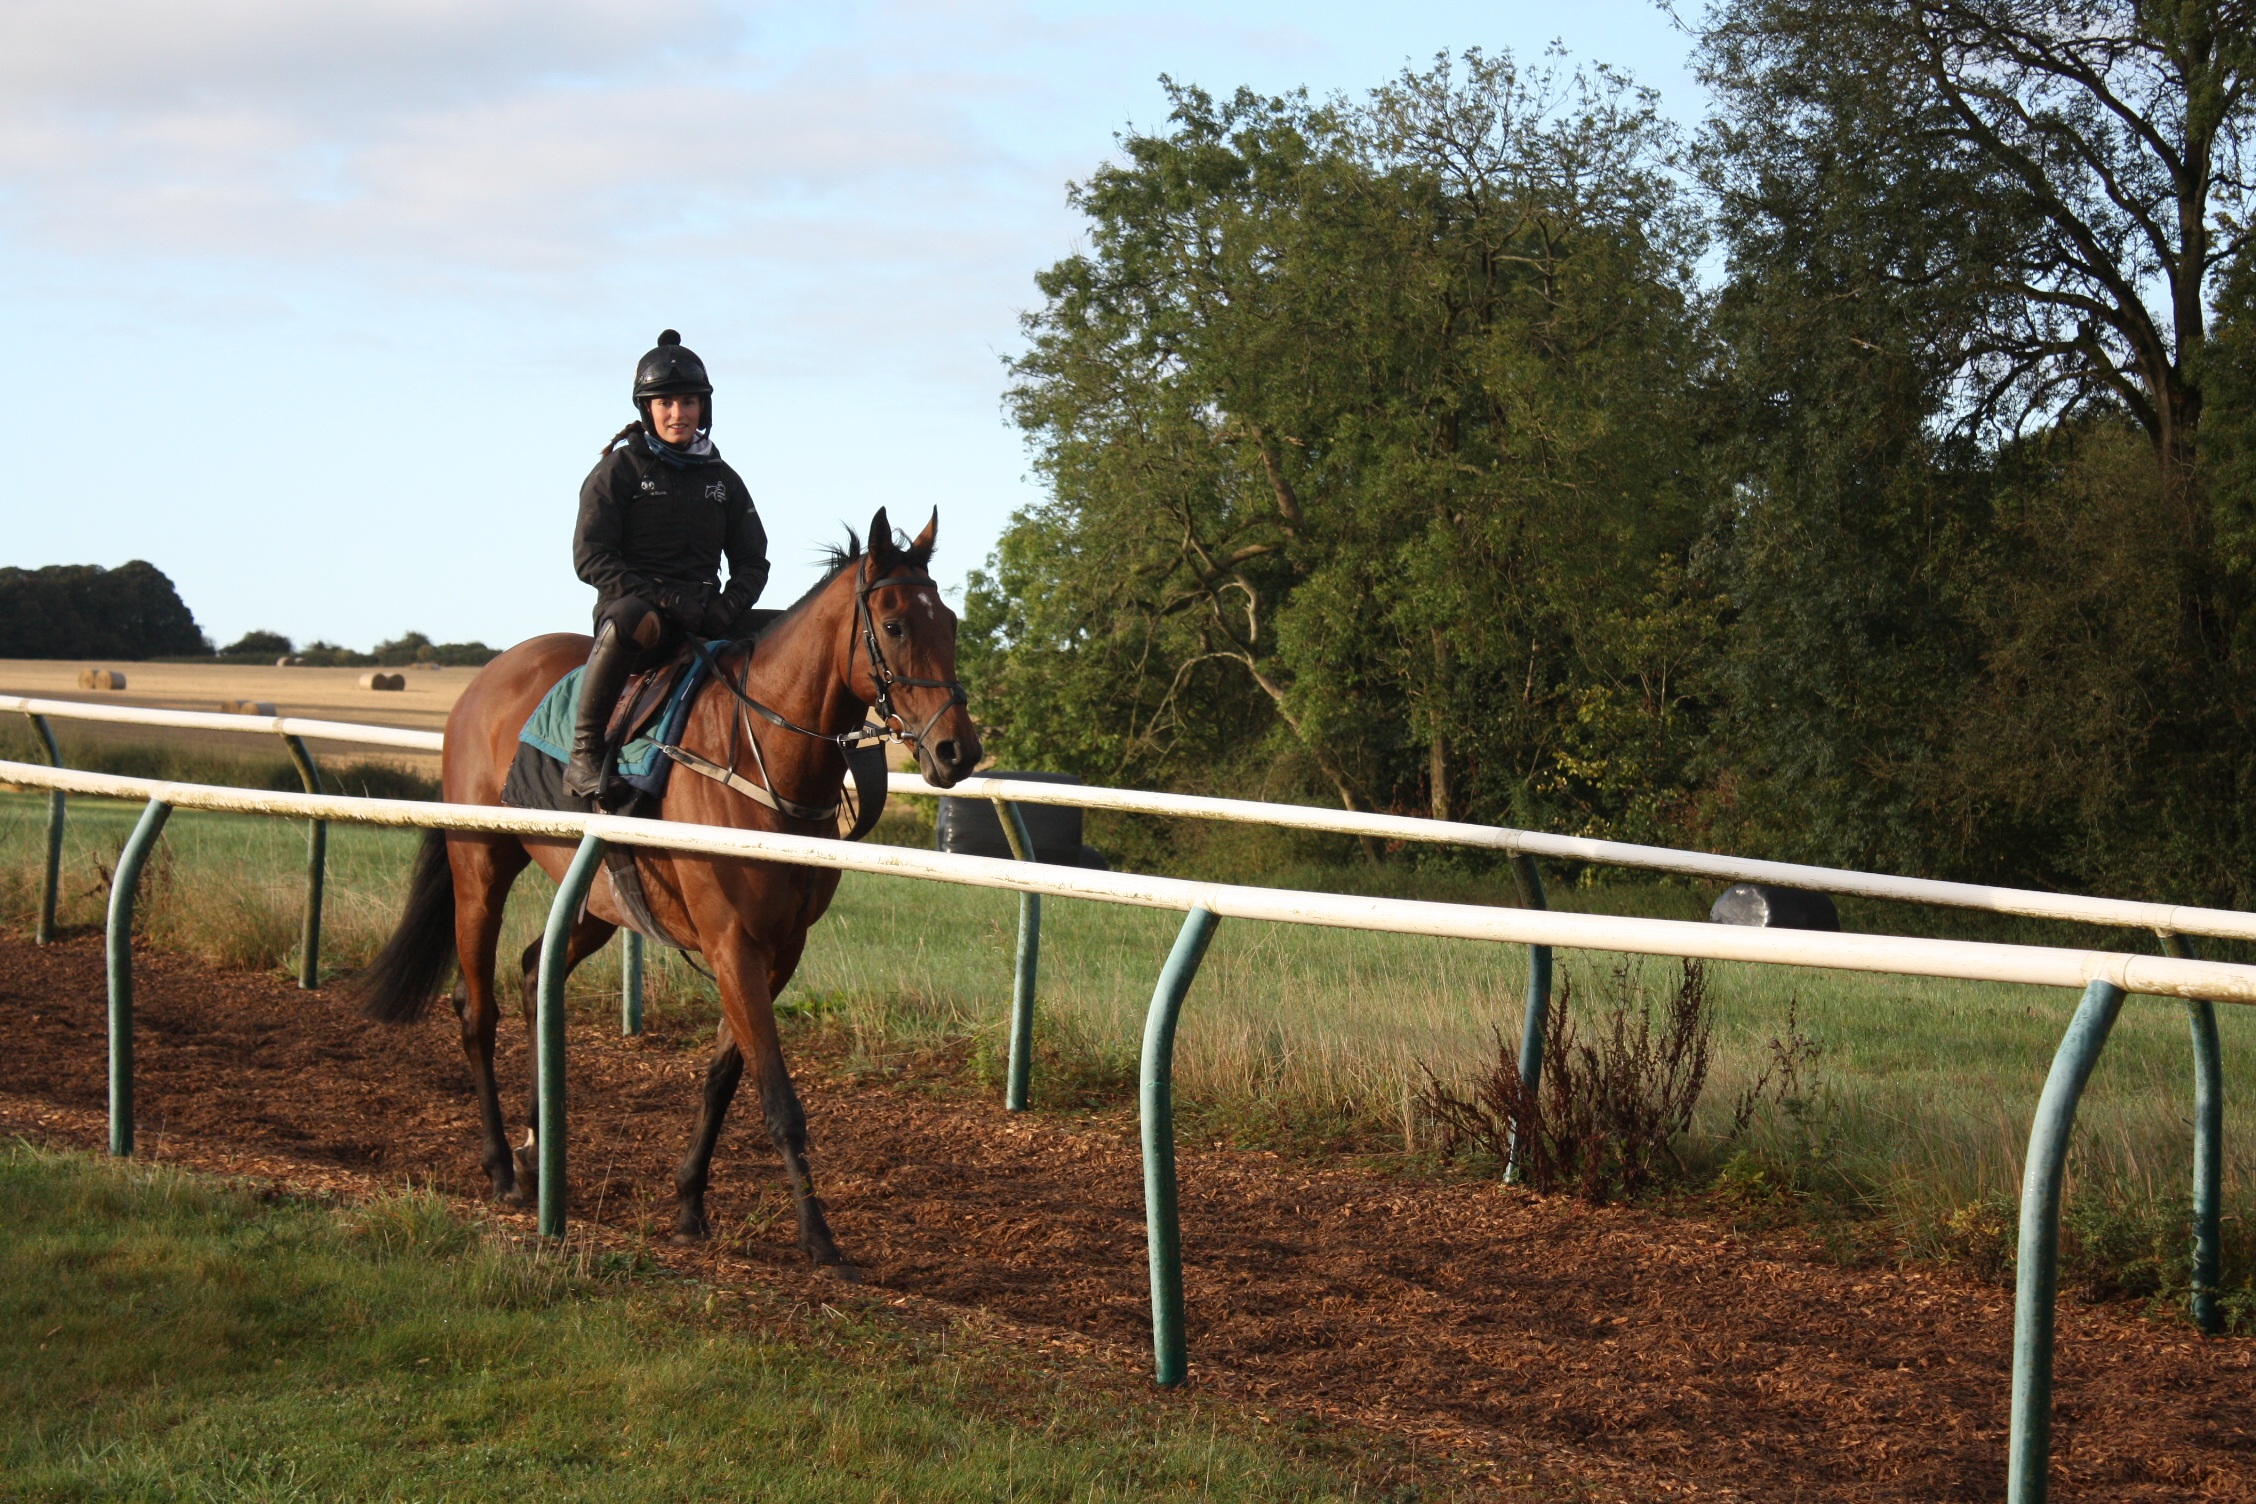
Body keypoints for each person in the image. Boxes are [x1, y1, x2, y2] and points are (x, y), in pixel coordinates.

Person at [565, 329, 769, 797]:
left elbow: (753, 562)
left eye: (689, 403)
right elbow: (591, 557)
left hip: (707, 613)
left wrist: (728, 605)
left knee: (788, 632)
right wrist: (664, 597)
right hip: (642, 614)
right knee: (629, 619)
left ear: (703, 408)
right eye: (666, 404)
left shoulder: (723, 479)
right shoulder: (618, 471)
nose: (678, 414)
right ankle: (585, 753)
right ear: (648, 409)